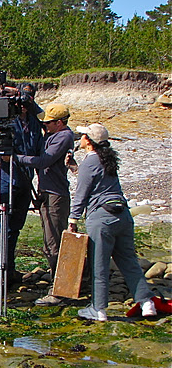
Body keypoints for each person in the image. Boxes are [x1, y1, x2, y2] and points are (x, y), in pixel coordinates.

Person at [68, 123, 156, 321]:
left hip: (102, 219)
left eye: (83, 136)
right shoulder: (106, 158)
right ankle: (146, 302)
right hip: (123, 215)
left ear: (88, 142)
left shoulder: (90, 162)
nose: (80, 138)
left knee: (99, 265)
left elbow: (82, 193)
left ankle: (98, 309)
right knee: (128, 261)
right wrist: (75, 167)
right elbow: (99, 181)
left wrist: (73, 218)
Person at [0, 83, 43, 293]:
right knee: (0, 227)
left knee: (15, 227)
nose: (24, 105)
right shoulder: (2, 119)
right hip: (6, 179)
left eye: (29, 99)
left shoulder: (35, 121)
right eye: (22, 100)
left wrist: (30, 104)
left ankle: (9, 269)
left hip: (26, 180)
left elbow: (41, 138)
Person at [14, 103, 75, 306]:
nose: (45, 125)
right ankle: (62, 278)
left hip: (55, 194)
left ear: (59, 123)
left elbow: (43, 161)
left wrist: (16, 158)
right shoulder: (52, 133)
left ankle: (61, 289)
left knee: (54, 241)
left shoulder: (64, 136)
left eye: (49, 123)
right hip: (46, 192)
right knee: (50, 240)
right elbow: (39, 114)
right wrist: (24, 100)